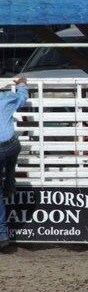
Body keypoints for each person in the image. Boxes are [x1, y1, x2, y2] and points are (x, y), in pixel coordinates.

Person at [0, 77, 28, 250]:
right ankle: (10, 184)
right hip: (11, 145)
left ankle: (3, 235)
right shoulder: (8, 97)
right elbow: (23, 96)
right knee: (9, 166)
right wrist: (22, 84)